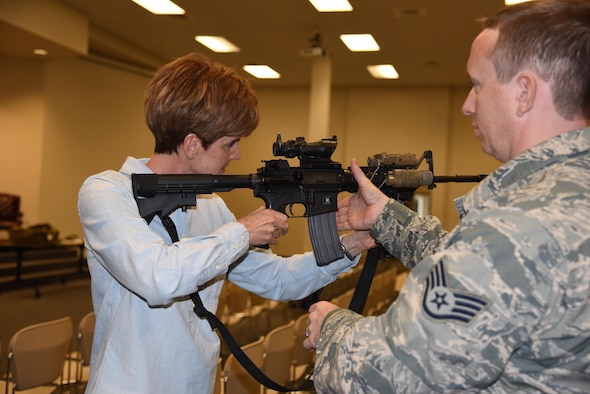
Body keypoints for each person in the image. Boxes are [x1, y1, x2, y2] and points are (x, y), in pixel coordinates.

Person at [303, 0, 590, 392]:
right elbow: (486, 267)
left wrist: (332, 328)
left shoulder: (521, 221)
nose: (467, 105)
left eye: (477, 84)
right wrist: (386, 216)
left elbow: (400, 374)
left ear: (524, 92)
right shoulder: (567, 192)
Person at [77, 53, 366, 393]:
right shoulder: (106, 192)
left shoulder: (211, 207)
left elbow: (278, 280)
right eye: (230, 143)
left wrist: (352, 243)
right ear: (192, 145)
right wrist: (242, 232)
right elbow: (157, 278)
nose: (238, 154)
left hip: (196, 383)